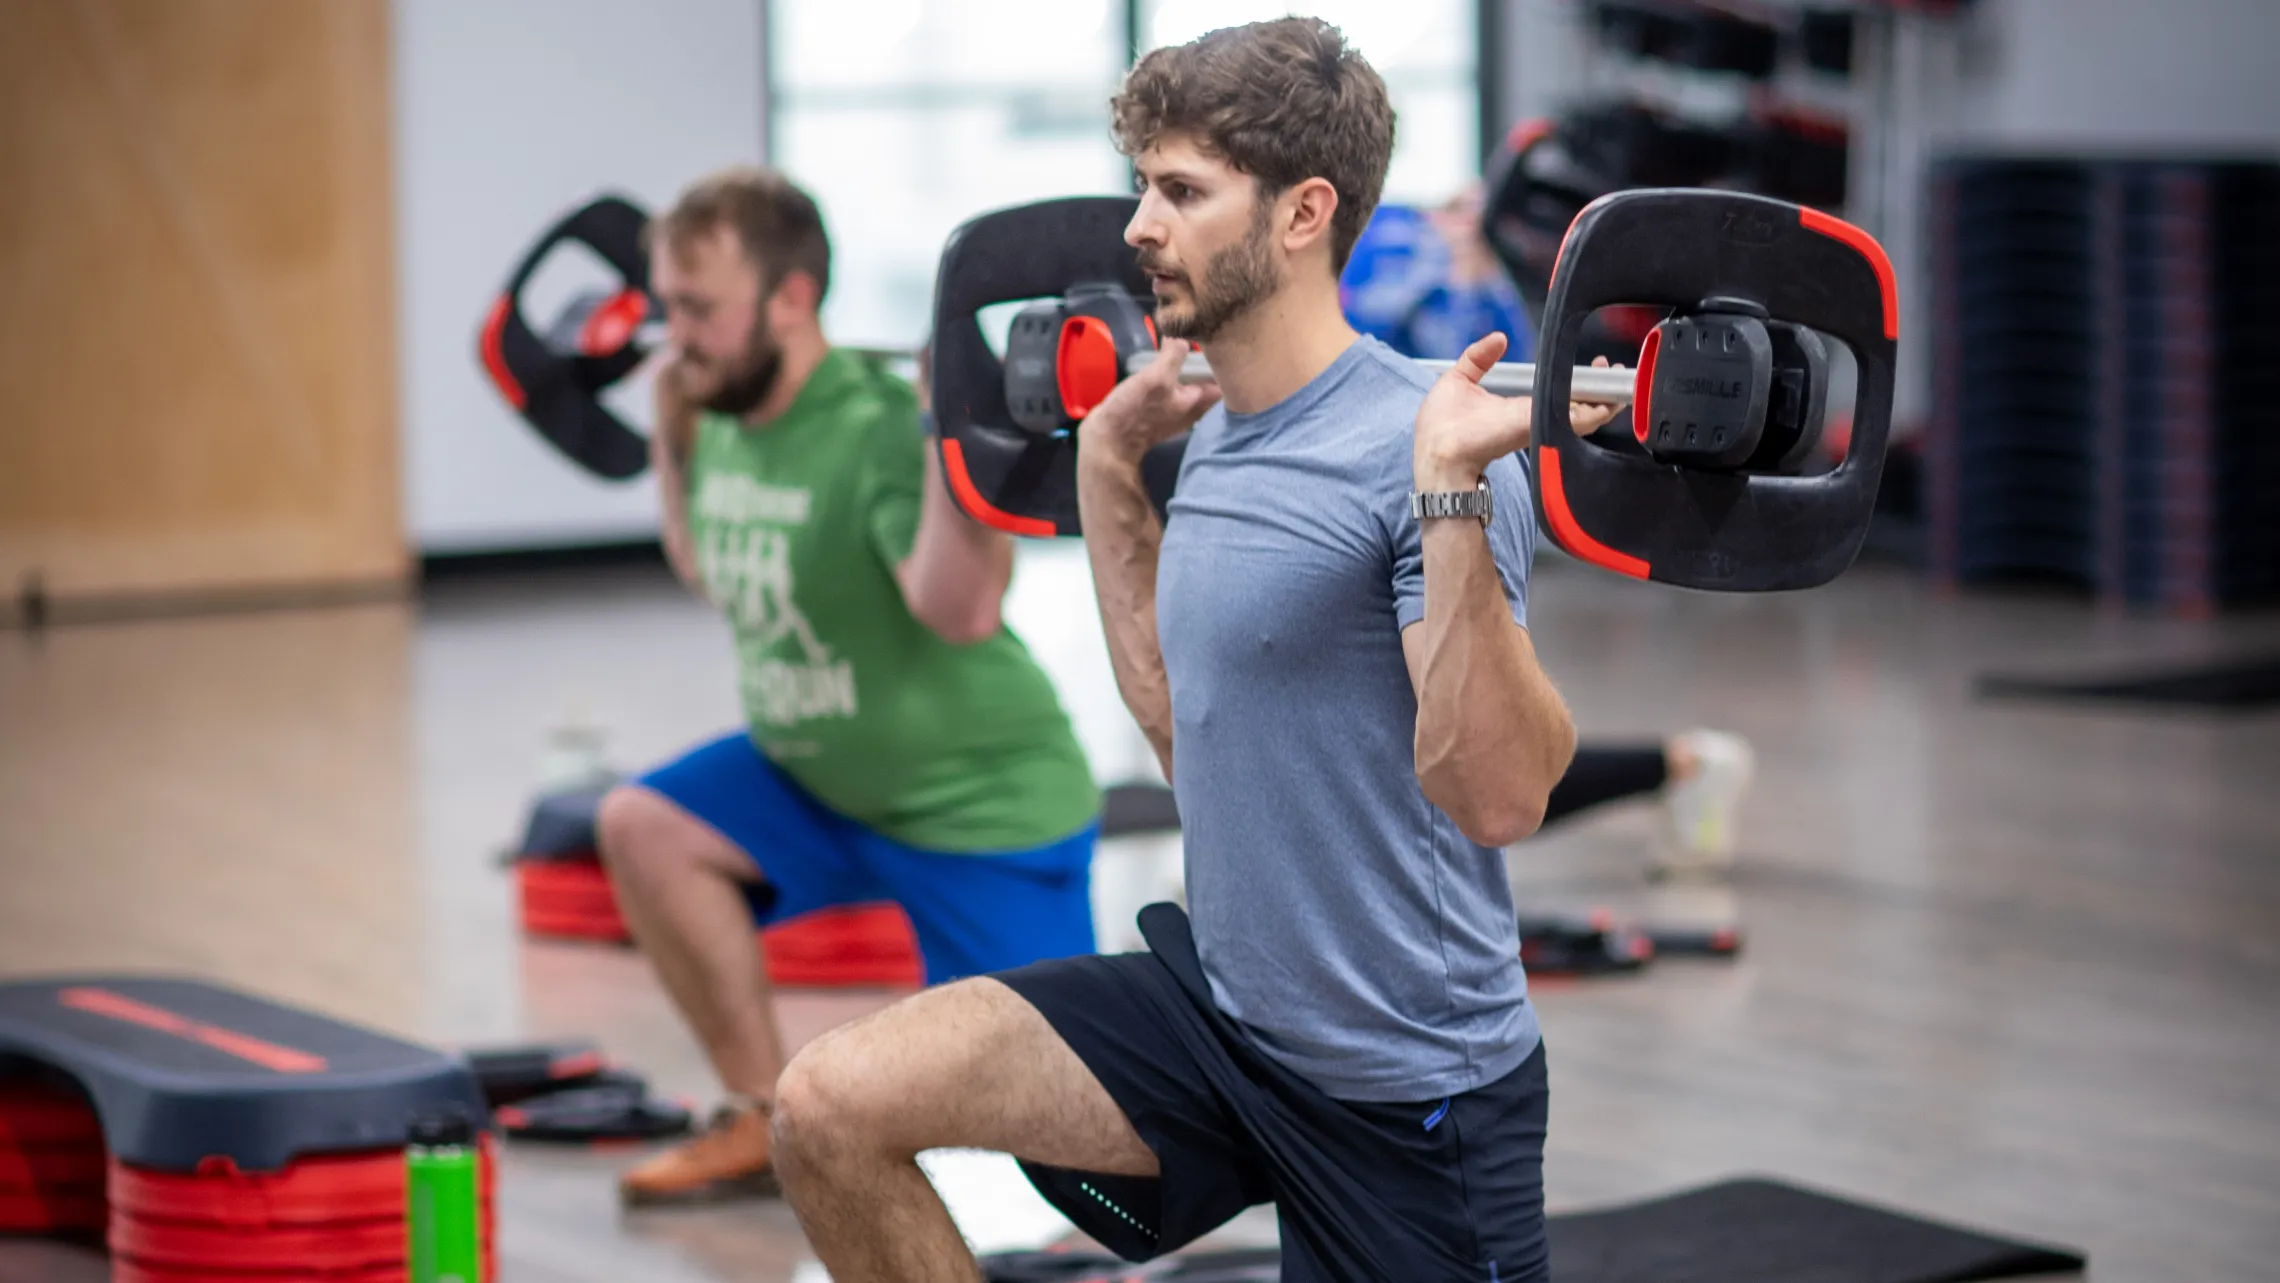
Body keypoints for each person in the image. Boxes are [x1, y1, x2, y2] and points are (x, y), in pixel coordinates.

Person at [767, 19, 1611, 1281]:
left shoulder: (1427, 443)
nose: (1137, 227)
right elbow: (1179, 731)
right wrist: (1109, 468)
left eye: (1181, 191)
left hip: (1410, 1093)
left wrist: (1445, 486)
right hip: (1226, 1021)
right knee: (830, 1106)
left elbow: (1497, 794)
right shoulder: (1215, 428)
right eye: (1143, 187)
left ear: (1302, 212)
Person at [593, 167, 1102, 1205]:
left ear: (789, 299)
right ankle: (751, 1113)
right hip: (814, 784)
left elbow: (955, 609)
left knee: (1082, 1144)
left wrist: (946, 440)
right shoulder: (718, 403)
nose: (673, 334)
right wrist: (669, 439)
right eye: (667, 305)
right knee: (644, 823)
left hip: (976, 803)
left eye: (699, 309)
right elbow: (706, 568)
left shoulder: (872, 427)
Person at [1345, 185, 1758, 874]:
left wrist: (1462, 267)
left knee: (1466, 754)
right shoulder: (1388, 250)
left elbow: (1495, 393)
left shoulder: (1445, 275)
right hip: (1382, 509)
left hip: (1427, 515)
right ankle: (1679, 764)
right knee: (1420, 751)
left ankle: (1681, 765)